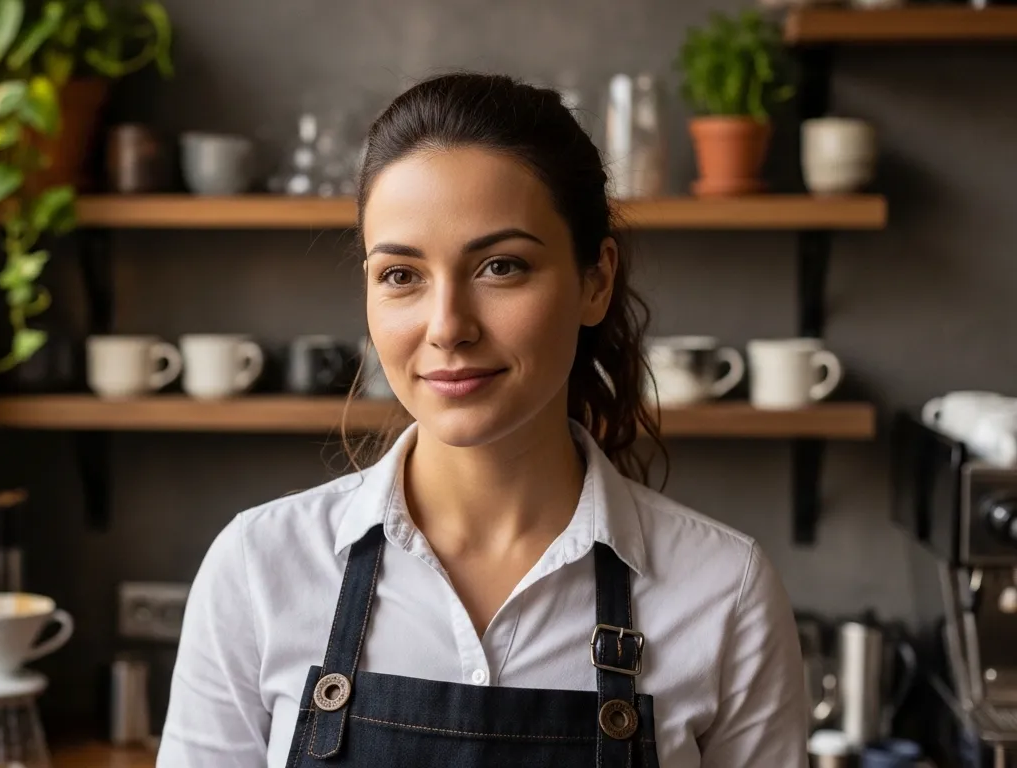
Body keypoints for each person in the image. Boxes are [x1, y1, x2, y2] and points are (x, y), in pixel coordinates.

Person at [158, 73, 808, 768]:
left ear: (596, 280)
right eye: (401, 275)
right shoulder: (259, 569)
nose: (447, 328)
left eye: (501, 266)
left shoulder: (722, 593)